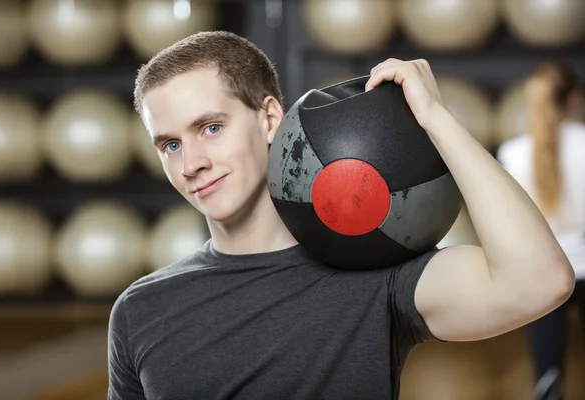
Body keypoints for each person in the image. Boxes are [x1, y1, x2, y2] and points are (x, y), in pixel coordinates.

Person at [107, 31, 575, 400]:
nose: (191, 164)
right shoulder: (139, 310)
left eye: (210, 128)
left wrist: (435, 119)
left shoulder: (376, 272)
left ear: (270, 119)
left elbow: (540, 281)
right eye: (170, 145)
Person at [497, 61, 585, 400]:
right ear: (573, 99)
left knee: (548, 379)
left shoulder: (511, 153)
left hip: (543, 274)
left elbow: (508, 226)